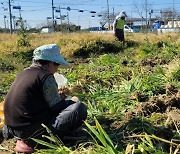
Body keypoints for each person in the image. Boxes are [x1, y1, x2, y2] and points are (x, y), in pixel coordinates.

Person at [3, 44, 87, 153]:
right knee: (79, 108)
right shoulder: (46, 77)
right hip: (32, 134)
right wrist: (71, 102)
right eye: (56, 65)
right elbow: (56, 108)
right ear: (50, 63)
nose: (56, 69)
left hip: (13, 129)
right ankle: (41, 140)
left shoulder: (24, 73)